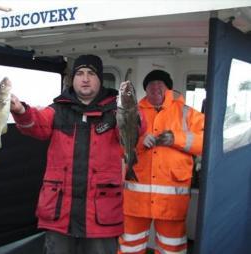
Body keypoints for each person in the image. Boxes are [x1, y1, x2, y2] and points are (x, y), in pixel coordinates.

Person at [11, 55, 129, 254]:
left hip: (101, 217)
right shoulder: (58, 109)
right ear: (72, 79)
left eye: (91, 74)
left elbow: (135, 128)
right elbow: (36, 125)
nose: (85, 78)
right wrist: (21, 111)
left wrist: (131, 114)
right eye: (80, 73)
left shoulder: (116, 111)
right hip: (60, 214)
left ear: (100, 79)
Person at [119, 70, 205, 254]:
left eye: (161, 83)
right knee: (128, 248)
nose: (155, 87)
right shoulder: (134, 112)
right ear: (145, 90)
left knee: (171, 250)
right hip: (136, 201)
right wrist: (139, 143)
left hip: (172, 203)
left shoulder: (188, 114)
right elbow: (118, 146)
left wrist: (177, 139)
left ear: (169, 88)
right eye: (150, 84)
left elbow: (208, 141)